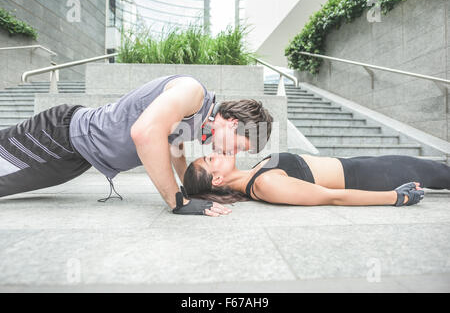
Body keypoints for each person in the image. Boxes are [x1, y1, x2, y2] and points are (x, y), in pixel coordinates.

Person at [0, 74, 273, 216]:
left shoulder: (199, 118)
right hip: (59, 136)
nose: (233, 154)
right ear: (234, 123)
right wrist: (176, 201)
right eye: (240, 147)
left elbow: (174, 148)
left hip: (76, 157)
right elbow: (144, 133)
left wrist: (189, 190)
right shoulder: (192, 92)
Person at [183, 152, 450, 207]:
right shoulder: (266, 184)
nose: (214, 154)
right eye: (209, 160)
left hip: (359, 163)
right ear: (217, 180)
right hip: (369, 178)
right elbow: (331, 196)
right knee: (440, 173)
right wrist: (396, 197)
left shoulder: (255, 171)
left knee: (437, 170)